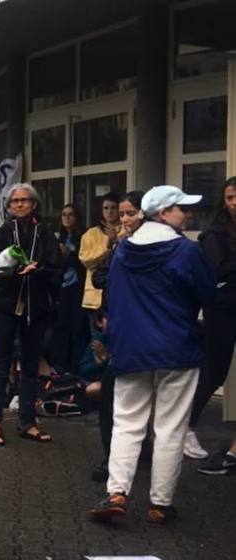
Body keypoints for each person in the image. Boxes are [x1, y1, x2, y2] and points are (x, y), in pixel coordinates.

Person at [89, 186, 215, 526]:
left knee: (127, 423)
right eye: (179, 209)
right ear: (162, 213)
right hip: (177, 347)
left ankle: (116, 492)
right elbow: (207, 293)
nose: (185, 214)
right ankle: (160, 503)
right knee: (170, 427)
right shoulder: (187, 251)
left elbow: (112, 297)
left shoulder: (123, 251)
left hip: (131, 349)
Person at [0, 183, 61, 447]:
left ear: (34, 204)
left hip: (36, 308)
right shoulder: (1, 234)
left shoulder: (45, 234)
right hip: (4, 307)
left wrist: (39, 272)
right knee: (1, 364)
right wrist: (14, 274)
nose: (20, 205)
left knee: (30, 366)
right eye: (15, 201)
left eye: (25, 200)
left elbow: (58, 270)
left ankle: (27, 422)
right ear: (10, 206)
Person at [89, 191, 145, 481]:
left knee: (144, 397)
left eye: (130, 213)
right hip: (119, 329)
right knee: (111, 395)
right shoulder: (119, 245)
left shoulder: (153, 245)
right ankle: (110, 457)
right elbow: (100, 277)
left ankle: (142, 456)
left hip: (146, 332)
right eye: (121, 214)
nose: (124, 219)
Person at [193, 177, 236, 475]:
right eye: (230, 198)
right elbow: (219, 270)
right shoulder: (214, 234)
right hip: (222, 309)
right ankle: (186, 424)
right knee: (215, 370)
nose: (234, 203)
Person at [49, 204, 87, 375]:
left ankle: (75, 365)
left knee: (77, 327)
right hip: (63, 286)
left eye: (71, 215)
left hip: (79, 286)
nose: (67, 218)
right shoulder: (61, 237)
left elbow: (83, 263)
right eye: (64, 215)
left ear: (77, 217)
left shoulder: (83, 236)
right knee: (62, 326)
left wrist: (68, 255)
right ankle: (61, 364)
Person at [79, 192, 121, 329]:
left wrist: (118, 241)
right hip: (94, 297)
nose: (110, 212)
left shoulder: (127, 231)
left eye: (114, 207)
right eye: (106, 208)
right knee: (97, 341)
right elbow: (86, 260)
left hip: (119, 296)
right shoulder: (90, 234)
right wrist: (107, 246)